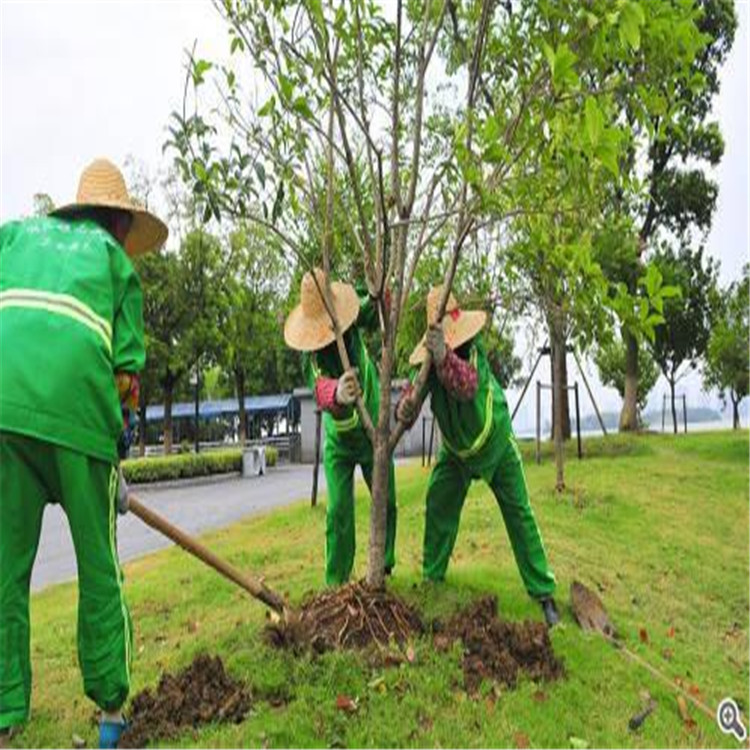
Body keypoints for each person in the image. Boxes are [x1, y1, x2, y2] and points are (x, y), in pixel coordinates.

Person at [0, 158, 168, 747]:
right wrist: (113, 451)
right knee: (99, 569)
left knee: (5, 569)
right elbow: (125, 375)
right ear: (120, 223)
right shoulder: (114, 262)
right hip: (76, 419)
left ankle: (4, 715)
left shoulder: (17, 236)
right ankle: (111, 716)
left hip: (5, 411)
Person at [397, 286, 559, 627]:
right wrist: (406, 407)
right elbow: (413, 393)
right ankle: (432, 579)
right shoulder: (431, 361)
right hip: (456, 454)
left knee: (519, 513)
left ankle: (543, 593)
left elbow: (466, 385)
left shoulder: (473, 354)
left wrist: (445, 357)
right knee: (438, 503)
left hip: (495, 444)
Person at [284, 268, 397, 585]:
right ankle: (337, 580)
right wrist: (335, 392)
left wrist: (380, 294)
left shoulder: (350, 315)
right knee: (338, 513)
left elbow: (377, 315)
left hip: (372, 427)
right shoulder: (311, 355)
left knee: (385, 499)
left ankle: (383, 564)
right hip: (339, 441)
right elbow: (318, 386)